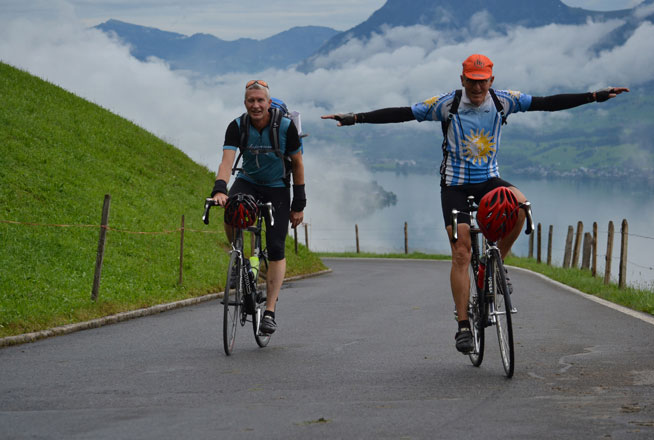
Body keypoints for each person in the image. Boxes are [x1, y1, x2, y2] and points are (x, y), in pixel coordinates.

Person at [321, 54, 628, 353]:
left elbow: (547, 103)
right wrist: (355, 118)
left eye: (483, 82)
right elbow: (402, 113)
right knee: (461, 253)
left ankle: (496, 266)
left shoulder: (504, 100)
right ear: (462, 79)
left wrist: (594, 96)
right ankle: (464, 326)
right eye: (472, 82)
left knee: (521, 205)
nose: (477, 88)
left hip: (490, 181)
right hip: (454, 185)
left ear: (491, 80)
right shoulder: (447, 104)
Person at [211, 79, 306, 335]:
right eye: (251, 101)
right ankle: (239, 257)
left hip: (277, 187)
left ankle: (270, 312)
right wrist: (220, 188)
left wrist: (299, 204)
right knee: (232, 211)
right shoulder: (237, 126)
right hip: (248, 181)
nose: (255, 105)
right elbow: (227, 161)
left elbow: (297, 164)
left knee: (276, 247)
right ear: (245, 103)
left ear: (268, 103)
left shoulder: (285, 128)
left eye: (260, 100)